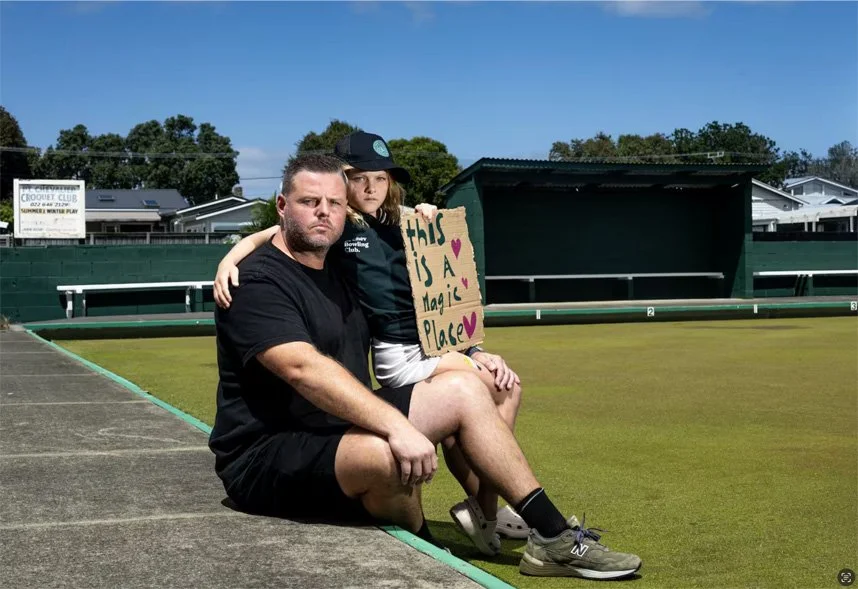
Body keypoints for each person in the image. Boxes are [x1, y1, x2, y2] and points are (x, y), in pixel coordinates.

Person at [209, 152, 642, 579]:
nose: (323, 212)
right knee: (388, 455)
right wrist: (398, 426)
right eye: (308, 202)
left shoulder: (339, 261)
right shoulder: (255, 280)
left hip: (332, 427)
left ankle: (551, 536)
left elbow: (409, 270)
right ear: (282, 206)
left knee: (466, 387)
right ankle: (427, 548)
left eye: (335, 203)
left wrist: (471, 351)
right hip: (264, 455)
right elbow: (302, 368)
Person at [213, 131, 527, 555]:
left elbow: (439, 295)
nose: (369, 188)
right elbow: (284, 226)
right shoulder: (330, 236)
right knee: (465, 398)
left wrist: (472, 349)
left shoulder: (394, 224)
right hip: (290, 435)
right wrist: (234, 253)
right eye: (358, 178)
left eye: (379, 179)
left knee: (496, 387)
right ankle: (470, 523)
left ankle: (493, 510)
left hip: (417, 351)